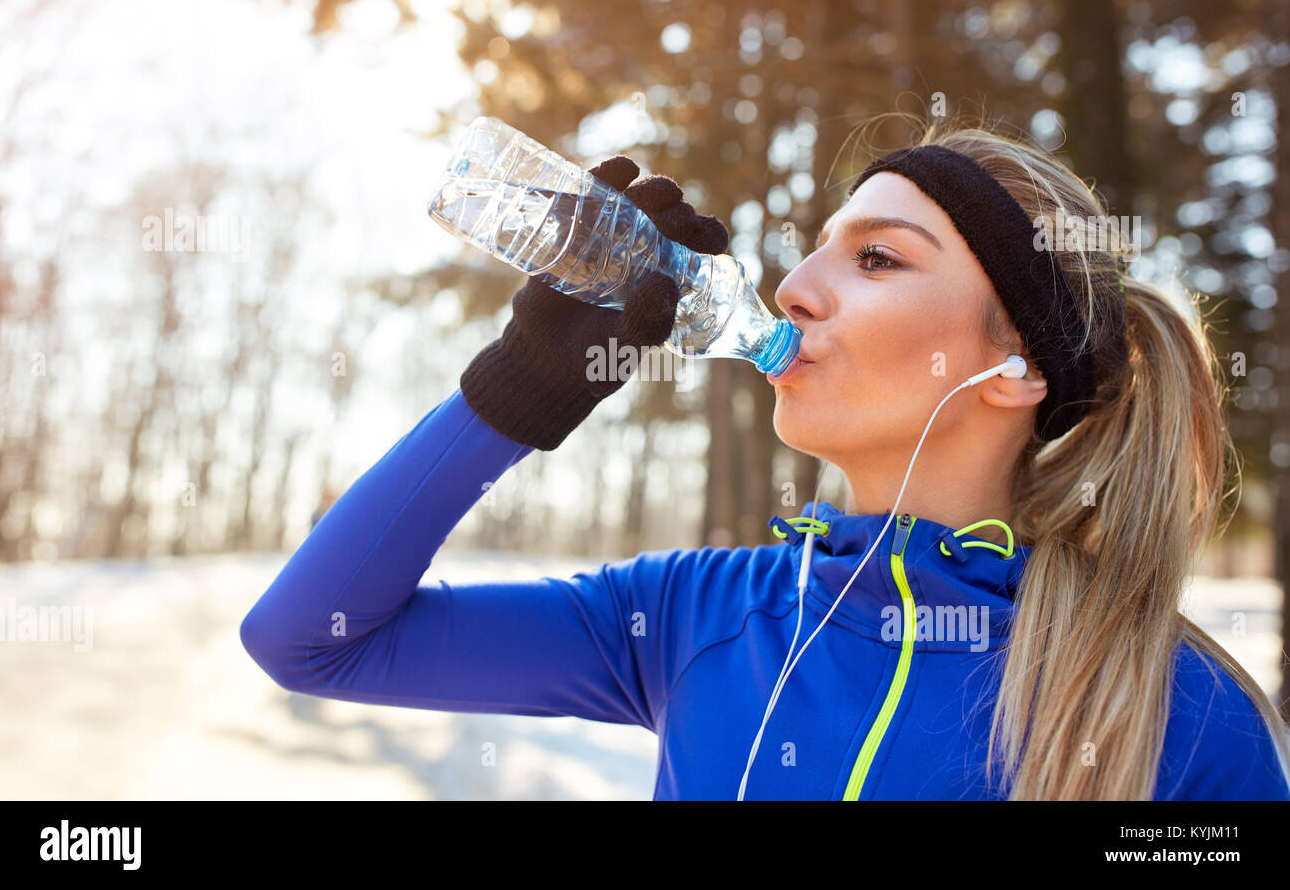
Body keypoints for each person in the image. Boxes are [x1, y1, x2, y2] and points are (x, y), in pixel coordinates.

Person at [240, 118, 1290, 800]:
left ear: (1011, 363)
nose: (793, 287)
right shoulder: (695, 617)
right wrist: (514, 392)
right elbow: (313, 638)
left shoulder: (1175, 714)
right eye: (819, 247)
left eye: (875, 256)